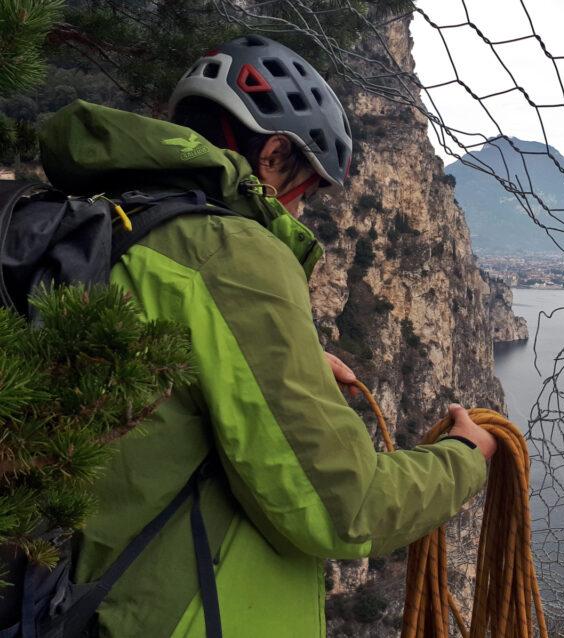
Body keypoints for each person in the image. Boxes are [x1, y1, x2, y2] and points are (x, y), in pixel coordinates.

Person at [35, 34, 496, 637]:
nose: (301, 213)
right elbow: (346, 507)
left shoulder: (114, 220)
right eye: (308, 187)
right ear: (275, 155)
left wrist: (277, 361)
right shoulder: (230, 251)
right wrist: (465, 459)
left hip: (80, 600)